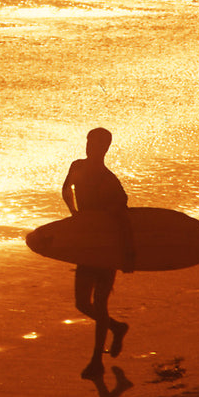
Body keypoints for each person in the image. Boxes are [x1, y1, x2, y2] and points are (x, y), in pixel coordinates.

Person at [62, 127, 133, 380]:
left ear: (105, 148)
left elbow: (123, 218)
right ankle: (117, 327)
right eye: (88, 142)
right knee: (82, 303)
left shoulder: (108, 181)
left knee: (101, 303)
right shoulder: (77, 166)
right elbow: (66, 189)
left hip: (106, 248)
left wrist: (127, 254)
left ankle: (96, 361)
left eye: (95, 144)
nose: (90, 147)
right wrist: (74, 213)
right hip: (86, 244)